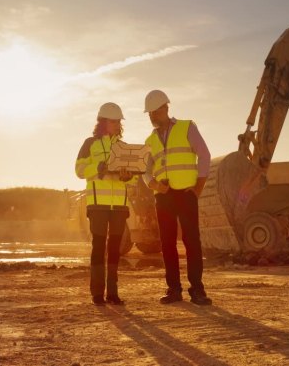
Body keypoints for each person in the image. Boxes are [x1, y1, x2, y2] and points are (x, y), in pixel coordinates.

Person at [142, 89, 212, 305]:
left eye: (156, 111)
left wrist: (199, 187)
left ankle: (197, 290)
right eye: (150, 113)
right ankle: (174, 289)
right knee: (167, 244)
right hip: (163, 198)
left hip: (186, 192)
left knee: (192, 241)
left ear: (166, 108)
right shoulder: (149, 140)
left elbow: (204, 155)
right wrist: (154, 185)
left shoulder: (186, 127)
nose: (153, 116)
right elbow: (145, 171)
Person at [75, 102, 133, 306]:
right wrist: (98, 167)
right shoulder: (89, 144)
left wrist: (128, 176)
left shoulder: (123, 147)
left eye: (119, 121)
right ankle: (97, 293)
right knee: (98, 247)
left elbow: (133, 179)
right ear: (102, 122)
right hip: (98, 206)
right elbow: (80, 171)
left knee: (115, 249)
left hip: (119, 207)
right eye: (113, 121)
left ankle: (113, 293)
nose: (117, 124)